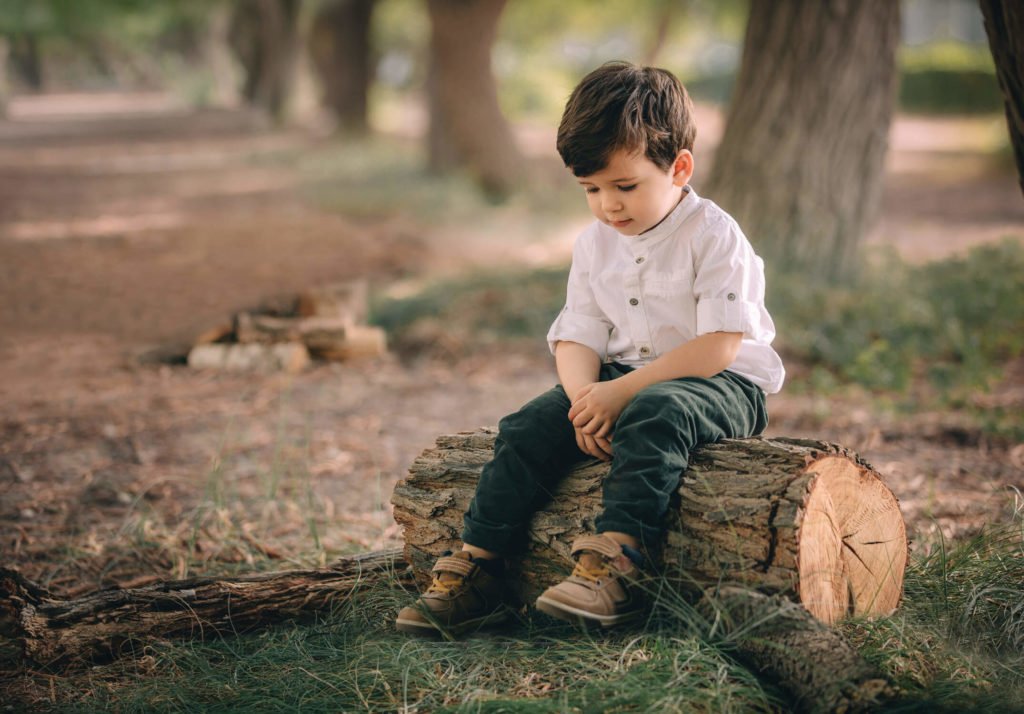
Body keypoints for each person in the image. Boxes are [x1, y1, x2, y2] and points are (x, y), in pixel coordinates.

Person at [395, 61, 785, 636]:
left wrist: (620, 392)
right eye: (592, 190)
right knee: (529, 424)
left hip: (721, 384)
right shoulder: (595, 244)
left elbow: (718, 347)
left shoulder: (714, 235)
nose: (609, 205)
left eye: (625, 186)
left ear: (678, 168)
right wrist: (584, 399)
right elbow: (578, 332)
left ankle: (615, 565)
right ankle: (479, 565)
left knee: (657, 411)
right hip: (618, 376)